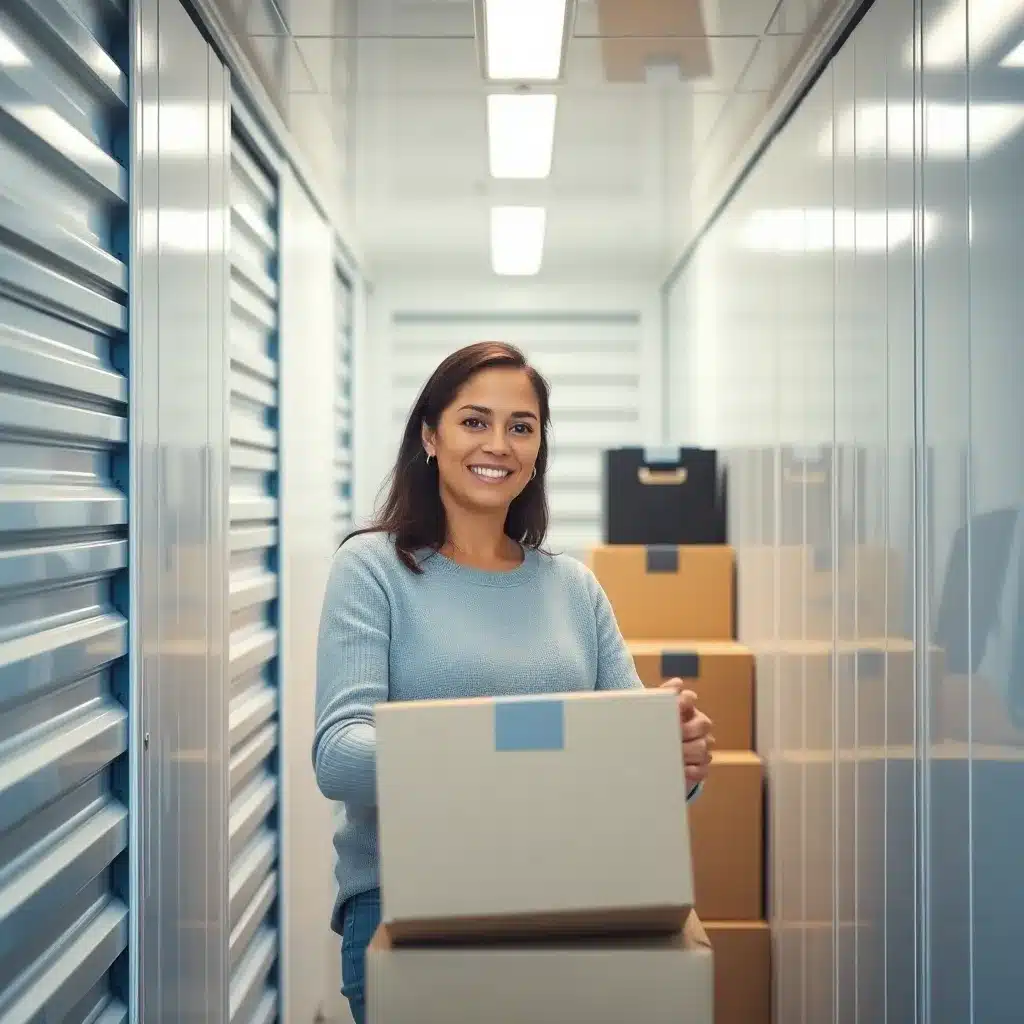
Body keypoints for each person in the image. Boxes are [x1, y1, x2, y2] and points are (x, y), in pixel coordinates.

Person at [312, 341, 714, 1024]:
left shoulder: (573, 588)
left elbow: (630, 752)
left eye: (520, 427)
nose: (497, 443)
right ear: (430, 437)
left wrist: (678, 757)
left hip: (566, 896)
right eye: (474, 421)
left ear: (537, 451)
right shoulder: (373, 570)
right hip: (407, 902)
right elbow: (340, 758)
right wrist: (508, 754)